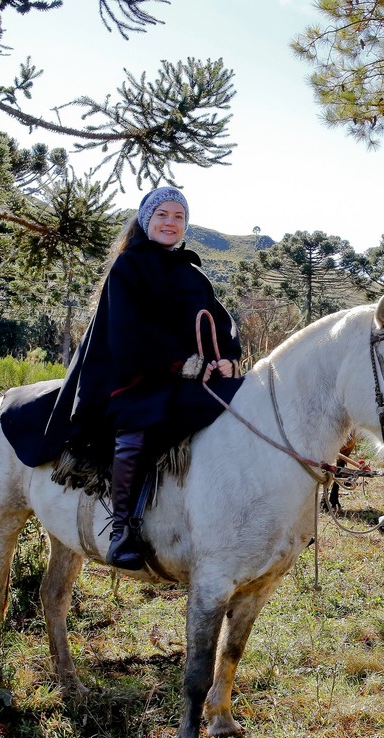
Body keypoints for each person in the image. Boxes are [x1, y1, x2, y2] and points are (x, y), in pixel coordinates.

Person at [45, 186, 243, 571]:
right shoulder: (129, 266)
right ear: (146, 219)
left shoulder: (192, 272)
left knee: (238, 401)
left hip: (191, 375)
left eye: (179, 217)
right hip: (135, 374)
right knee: (139, 423)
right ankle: (123, 529)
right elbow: (129, 332)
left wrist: (227, 358)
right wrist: (179, 363)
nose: (171, 223)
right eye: (162, 215)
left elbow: (220, 322)